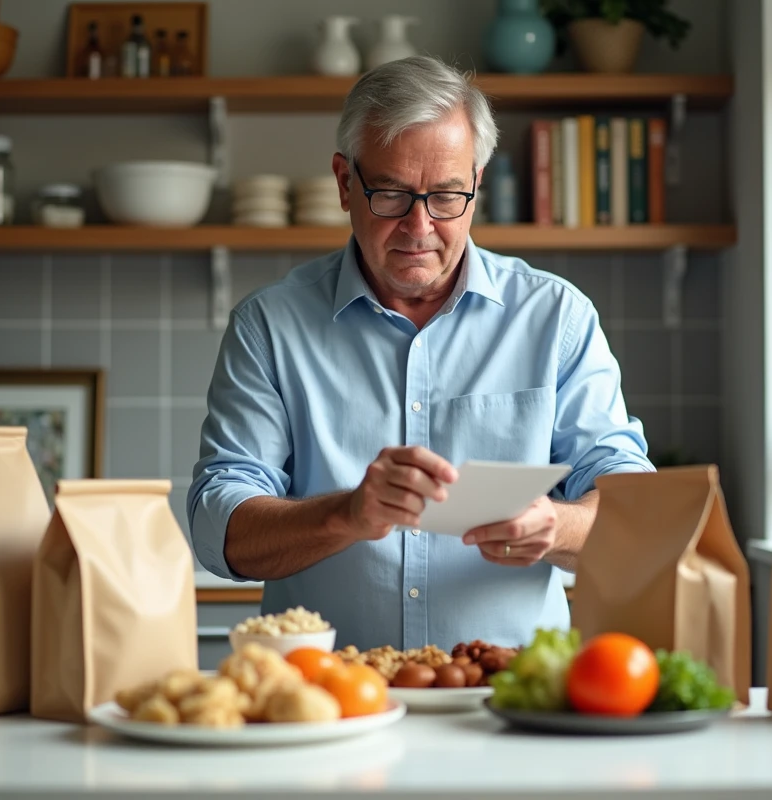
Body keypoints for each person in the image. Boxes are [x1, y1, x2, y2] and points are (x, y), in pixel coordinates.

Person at [188, 55, 653, 651]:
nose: (419, 226)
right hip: (331, 702)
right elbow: (216, 527)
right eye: (390, 194)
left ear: (478, 185)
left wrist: (557, 526)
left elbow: (633, 503)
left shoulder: (556, 318)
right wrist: (346, 515)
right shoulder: (269, 326)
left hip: (508, 702)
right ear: (343, 182)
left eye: (446, 195)